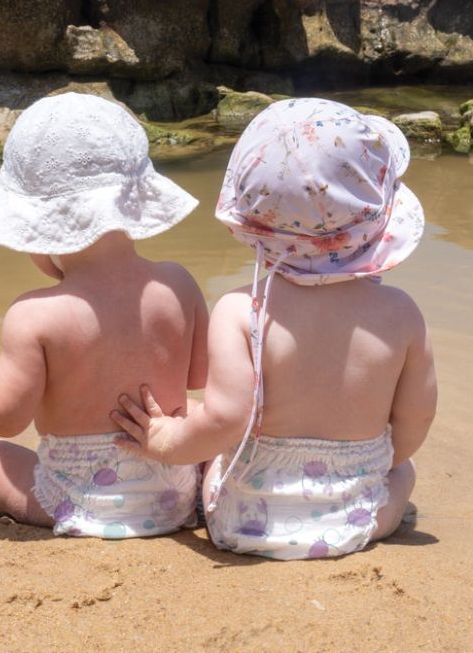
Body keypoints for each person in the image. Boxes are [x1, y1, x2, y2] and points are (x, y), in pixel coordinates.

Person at [112, 98, 437, 560]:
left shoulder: (240, 311)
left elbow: (226, 420)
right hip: (356, 517)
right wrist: (374, 465)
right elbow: (414, 422)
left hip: (243, 521)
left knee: (207, 434)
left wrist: (165, 441)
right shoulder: (401, 314)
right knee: (404, 472)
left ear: (248, 224)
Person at [0, 92, 208, 539]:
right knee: (192, 410)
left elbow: (3, 417)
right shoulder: (177, 283)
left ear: (40, 230)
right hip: (172, 489)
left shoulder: (33, 314)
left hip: (75, 496)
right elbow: (200, 374)